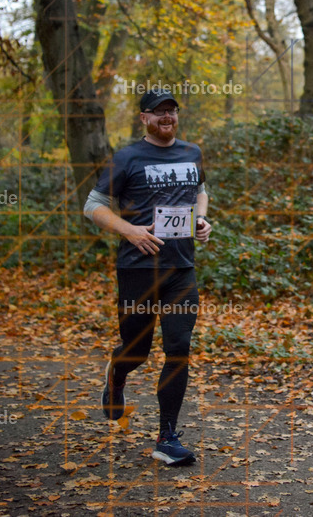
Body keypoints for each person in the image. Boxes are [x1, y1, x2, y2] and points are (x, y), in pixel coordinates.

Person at [84, 88, 212, 466]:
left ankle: (166, 436)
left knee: (178, 350)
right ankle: (117, 373)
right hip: (138, 269)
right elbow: (93, 205)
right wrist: (130, 231)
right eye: (158, 112)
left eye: (171, 111)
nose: (167, 117)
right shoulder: (127, 157)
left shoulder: (192, 152)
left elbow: (200, 191)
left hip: (181, 269)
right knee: (137, 349)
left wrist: (203, 219)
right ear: (144, 118)